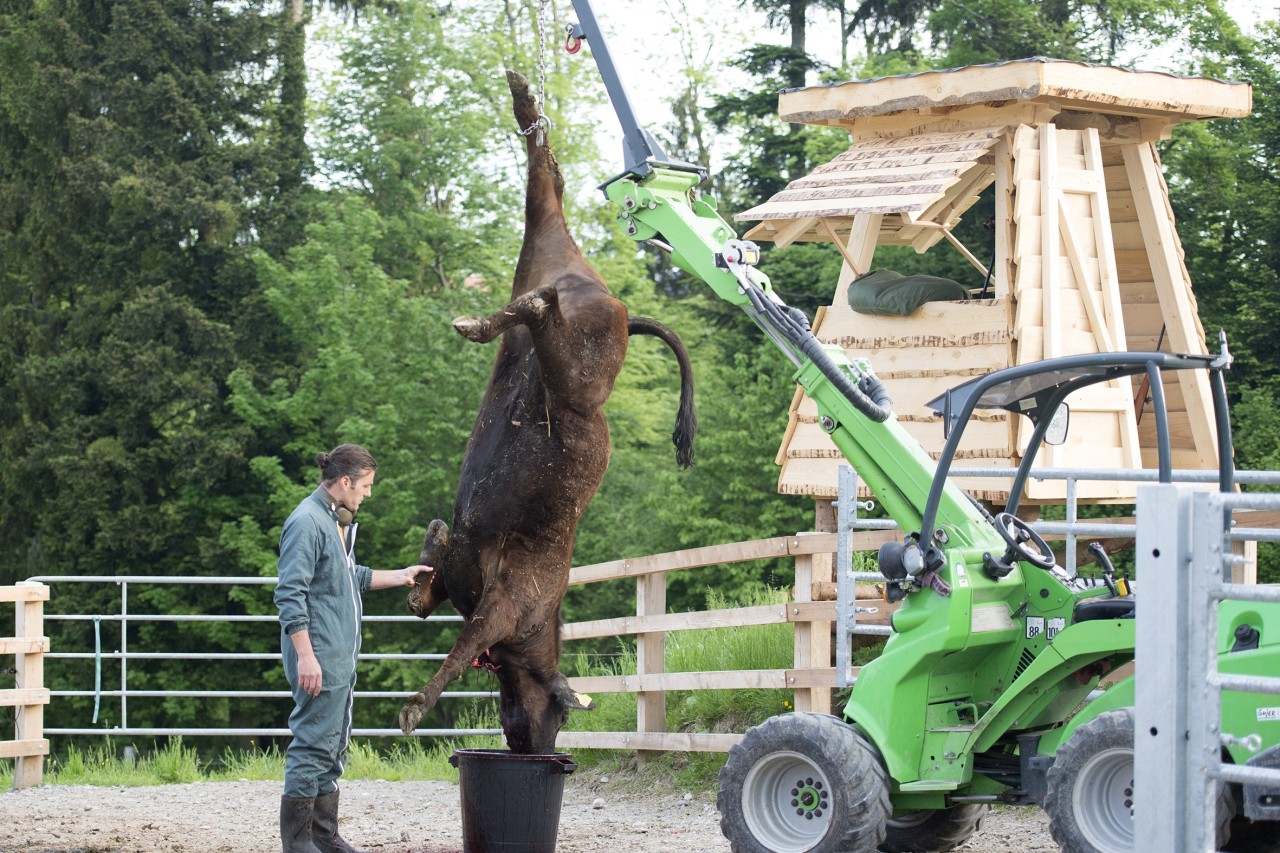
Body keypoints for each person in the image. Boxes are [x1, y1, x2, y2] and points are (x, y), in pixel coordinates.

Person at [274, 444, 431, 853]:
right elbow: (290, 594)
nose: (368, 494)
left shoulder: (334, 521)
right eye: (366, 485)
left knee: (333, 741)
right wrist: (306, 656)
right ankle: (297, 841)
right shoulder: (307, 522)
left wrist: (401, 576)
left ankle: (323, 836)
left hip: (338, 653)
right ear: (344, 481)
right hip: (319, 653)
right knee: (312, 741)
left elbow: (349, 575)